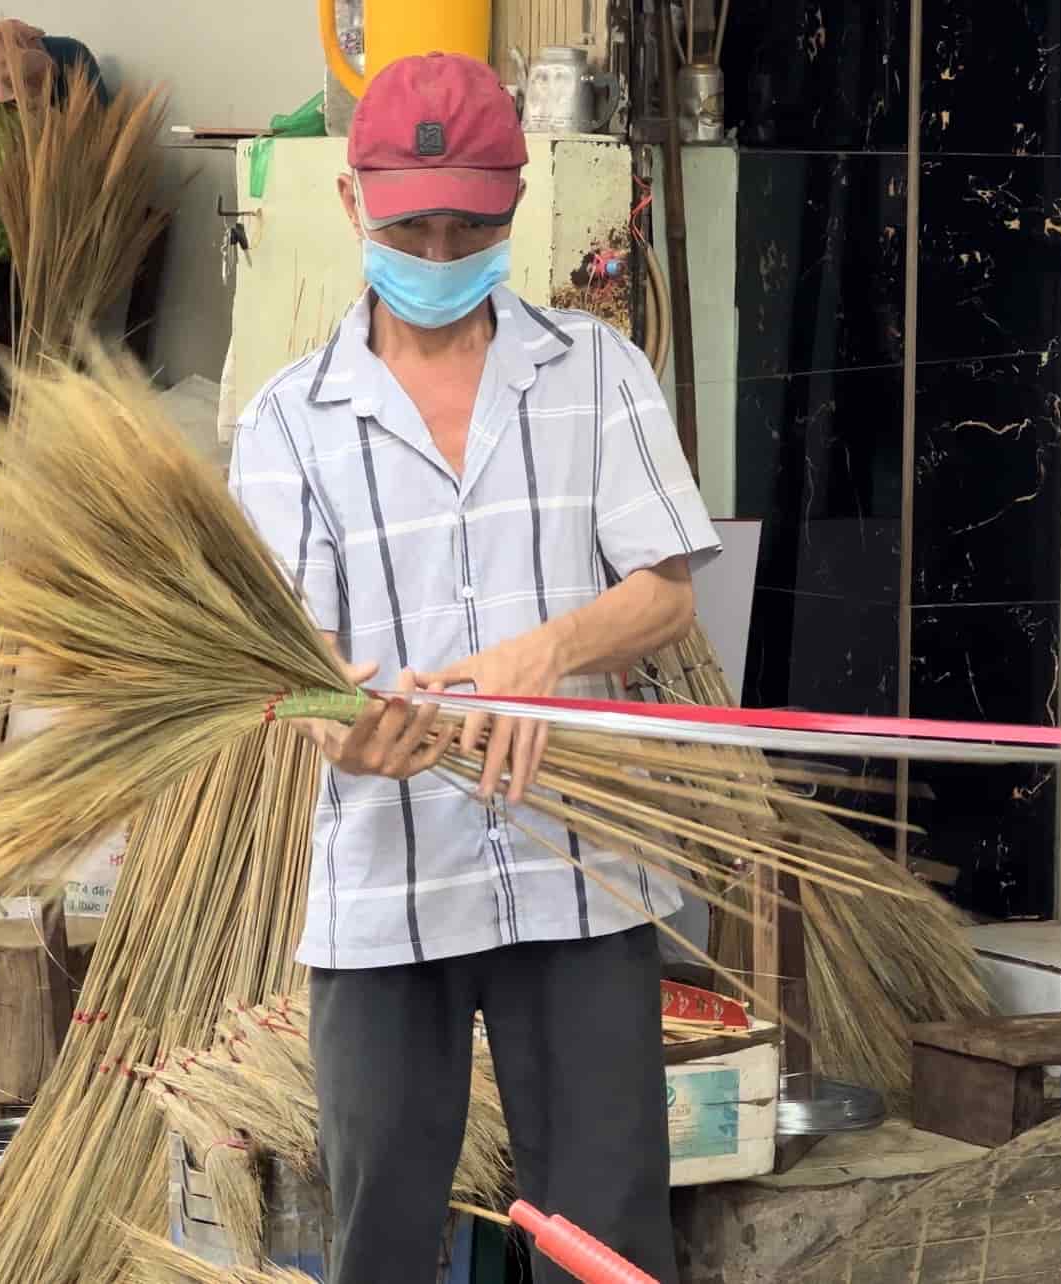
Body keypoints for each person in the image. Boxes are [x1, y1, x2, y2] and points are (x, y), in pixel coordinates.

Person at [228, 51, 718, 1284]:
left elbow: (664, 591)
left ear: (515, 207)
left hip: (579, 869)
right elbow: (288, 658)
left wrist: (546, 653)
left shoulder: (595, 372)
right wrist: (338, 726)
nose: (439, 256)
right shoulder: (289, 421)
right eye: (411, 229)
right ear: (352, 203)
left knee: (605, 1237)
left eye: (470, 228)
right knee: (381, 1233)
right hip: (386, 878)